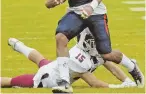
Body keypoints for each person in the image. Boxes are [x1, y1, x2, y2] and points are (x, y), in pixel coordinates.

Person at [1, 34, 136, 90]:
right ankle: (18, 45)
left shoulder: (94, 52)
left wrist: (126, 80)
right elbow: (94, 83)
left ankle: (18, 45)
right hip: (48, 79)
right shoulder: (80, 60)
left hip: (53, 67)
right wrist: (117, 87)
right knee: (11, 82)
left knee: (42, 61)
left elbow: (112, 66)